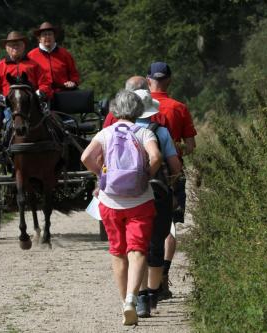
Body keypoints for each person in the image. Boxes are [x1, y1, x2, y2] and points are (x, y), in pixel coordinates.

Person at [81, 89, 161, 326]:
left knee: (118, 252)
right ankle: (131, 299)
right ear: (138, 111)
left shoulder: (105, 133)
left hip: (110, 202)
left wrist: (101, 176)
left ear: (115, 110)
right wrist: (147, 175)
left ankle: (123, 302)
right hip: (140, 200)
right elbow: (155, 157)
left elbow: (86, 157)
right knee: (137, 250)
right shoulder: (144, 132)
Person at [147, 62, 197, 299]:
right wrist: (172, 150)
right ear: (170, 80)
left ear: (149, 81)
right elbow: (190, 147)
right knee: (169, 227)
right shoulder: (179, 108)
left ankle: (144, 283)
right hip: (171, 173)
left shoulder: (138, 108)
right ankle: (163, 277)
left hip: (141, 174)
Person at [131, 89, 183, 318]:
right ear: (152, 111)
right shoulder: (160, 132)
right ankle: (152, 296)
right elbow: (175, 167)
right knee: (155, 245)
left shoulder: (120, 131)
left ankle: (140, 297)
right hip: (157, 193)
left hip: (129, 195)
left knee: (136, 246)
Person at [0, 31, 52, 129]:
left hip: (33, 105)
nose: (15, 47)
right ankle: (7, 143)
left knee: (49, 125)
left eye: (18, 45)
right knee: (9, 127)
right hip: (10, 107)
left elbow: (46, 83)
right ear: (6, 48)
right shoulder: (0, 66)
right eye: (12, 45)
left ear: (23, 46)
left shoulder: (34, 65)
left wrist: (41, 92)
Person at [27, 22, 80, 92]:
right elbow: (28, 77)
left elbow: (74, 73)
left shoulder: (65, 54)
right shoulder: (31, 56)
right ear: (39, 38)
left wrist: (73, 82)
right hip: (40, 95)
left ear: (54, 36)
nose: (47, 37)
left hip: (64, 92)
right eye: (44, 35)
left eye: (50, 34)